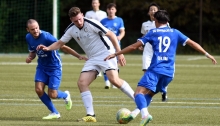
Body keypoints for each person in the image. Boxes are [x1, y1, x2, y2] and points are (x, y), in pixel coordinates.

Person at [104, 10, 217, 126]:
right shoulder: (175, 32)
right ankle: (134, 113)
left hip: (155, 70)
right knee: (149, 95)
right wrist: (207, 54)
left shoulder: (153, 32)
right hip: (169, 74)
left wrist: (116, 54)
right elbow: (192, 43)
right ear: (167, 21)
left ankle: (145, 115)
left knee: (138, 93)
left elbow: (134, 47)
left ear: (156, 21)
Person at [37, 7, 140, 122]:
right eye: (76, 21)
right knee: (82, 83)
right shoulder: (71, 29)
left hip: (106, 53)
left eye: (80, 19)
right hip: (92, 58)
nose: (79, 22)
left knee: (114, 80)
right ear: (71, 20)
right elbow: (60, 43)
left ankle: (139, 101)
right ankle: (91, 115)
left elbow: (111, 35)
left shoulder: (92, 23)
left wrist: (118, 53)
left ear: (82, 15)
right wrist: (48, 48)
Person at [25, 19, 87, 119]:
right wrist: (30, 58)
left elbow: (62, 46)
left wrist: (78, 56)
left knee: (52, 94)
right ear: (28, 30)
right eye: (32, 29)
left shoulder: (46, 36)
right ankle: (54, 112)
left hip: (54, 67)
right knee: (38, 90)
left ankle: (65, 95)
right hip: (42, 67)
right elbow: (33, 51)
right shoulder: (28, 37)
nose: (36, 30)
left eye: (37, 28)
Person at [140, 2, 169, 102]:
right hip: (147, 52)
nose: (152, 11)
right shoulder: (145, 25)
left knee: (161, 73)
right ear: (148, 12)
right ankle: (148, 94)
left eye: (154, 9)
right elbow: (144, 36)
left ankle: (163, 90)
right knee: (146, 72)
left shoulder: (165, 24)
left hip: (159, 52)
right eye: (151, 10)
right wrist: (141, 44)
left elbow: (168, 36)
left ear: (158, 12)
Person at [85, 0, 112, 88]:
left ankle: (109, 78)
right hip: (92, 37)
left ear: (99, 4)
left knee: (105, 56)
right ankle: (97, 69)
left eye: (96, 2)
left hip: (101, 36)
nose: (94, 4)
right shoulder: (88, 13)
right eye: (93, 3)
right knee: (92, 53)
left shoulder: (103, 14)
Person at [100, 3, 125, 89]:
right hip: (105, 46)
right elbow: (99, 33)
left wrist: (119, 37)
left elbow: (122, 31)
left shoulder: (119, 20)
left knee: (116, 64)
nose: (111, 11)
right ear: (107, 10)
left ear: (115, 10)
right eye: (109, 9)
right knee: (106, 63)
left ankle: (115, 81)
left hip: (116, 46)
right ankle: (107, 82)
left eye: (112, 9)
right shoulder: (103, 21)